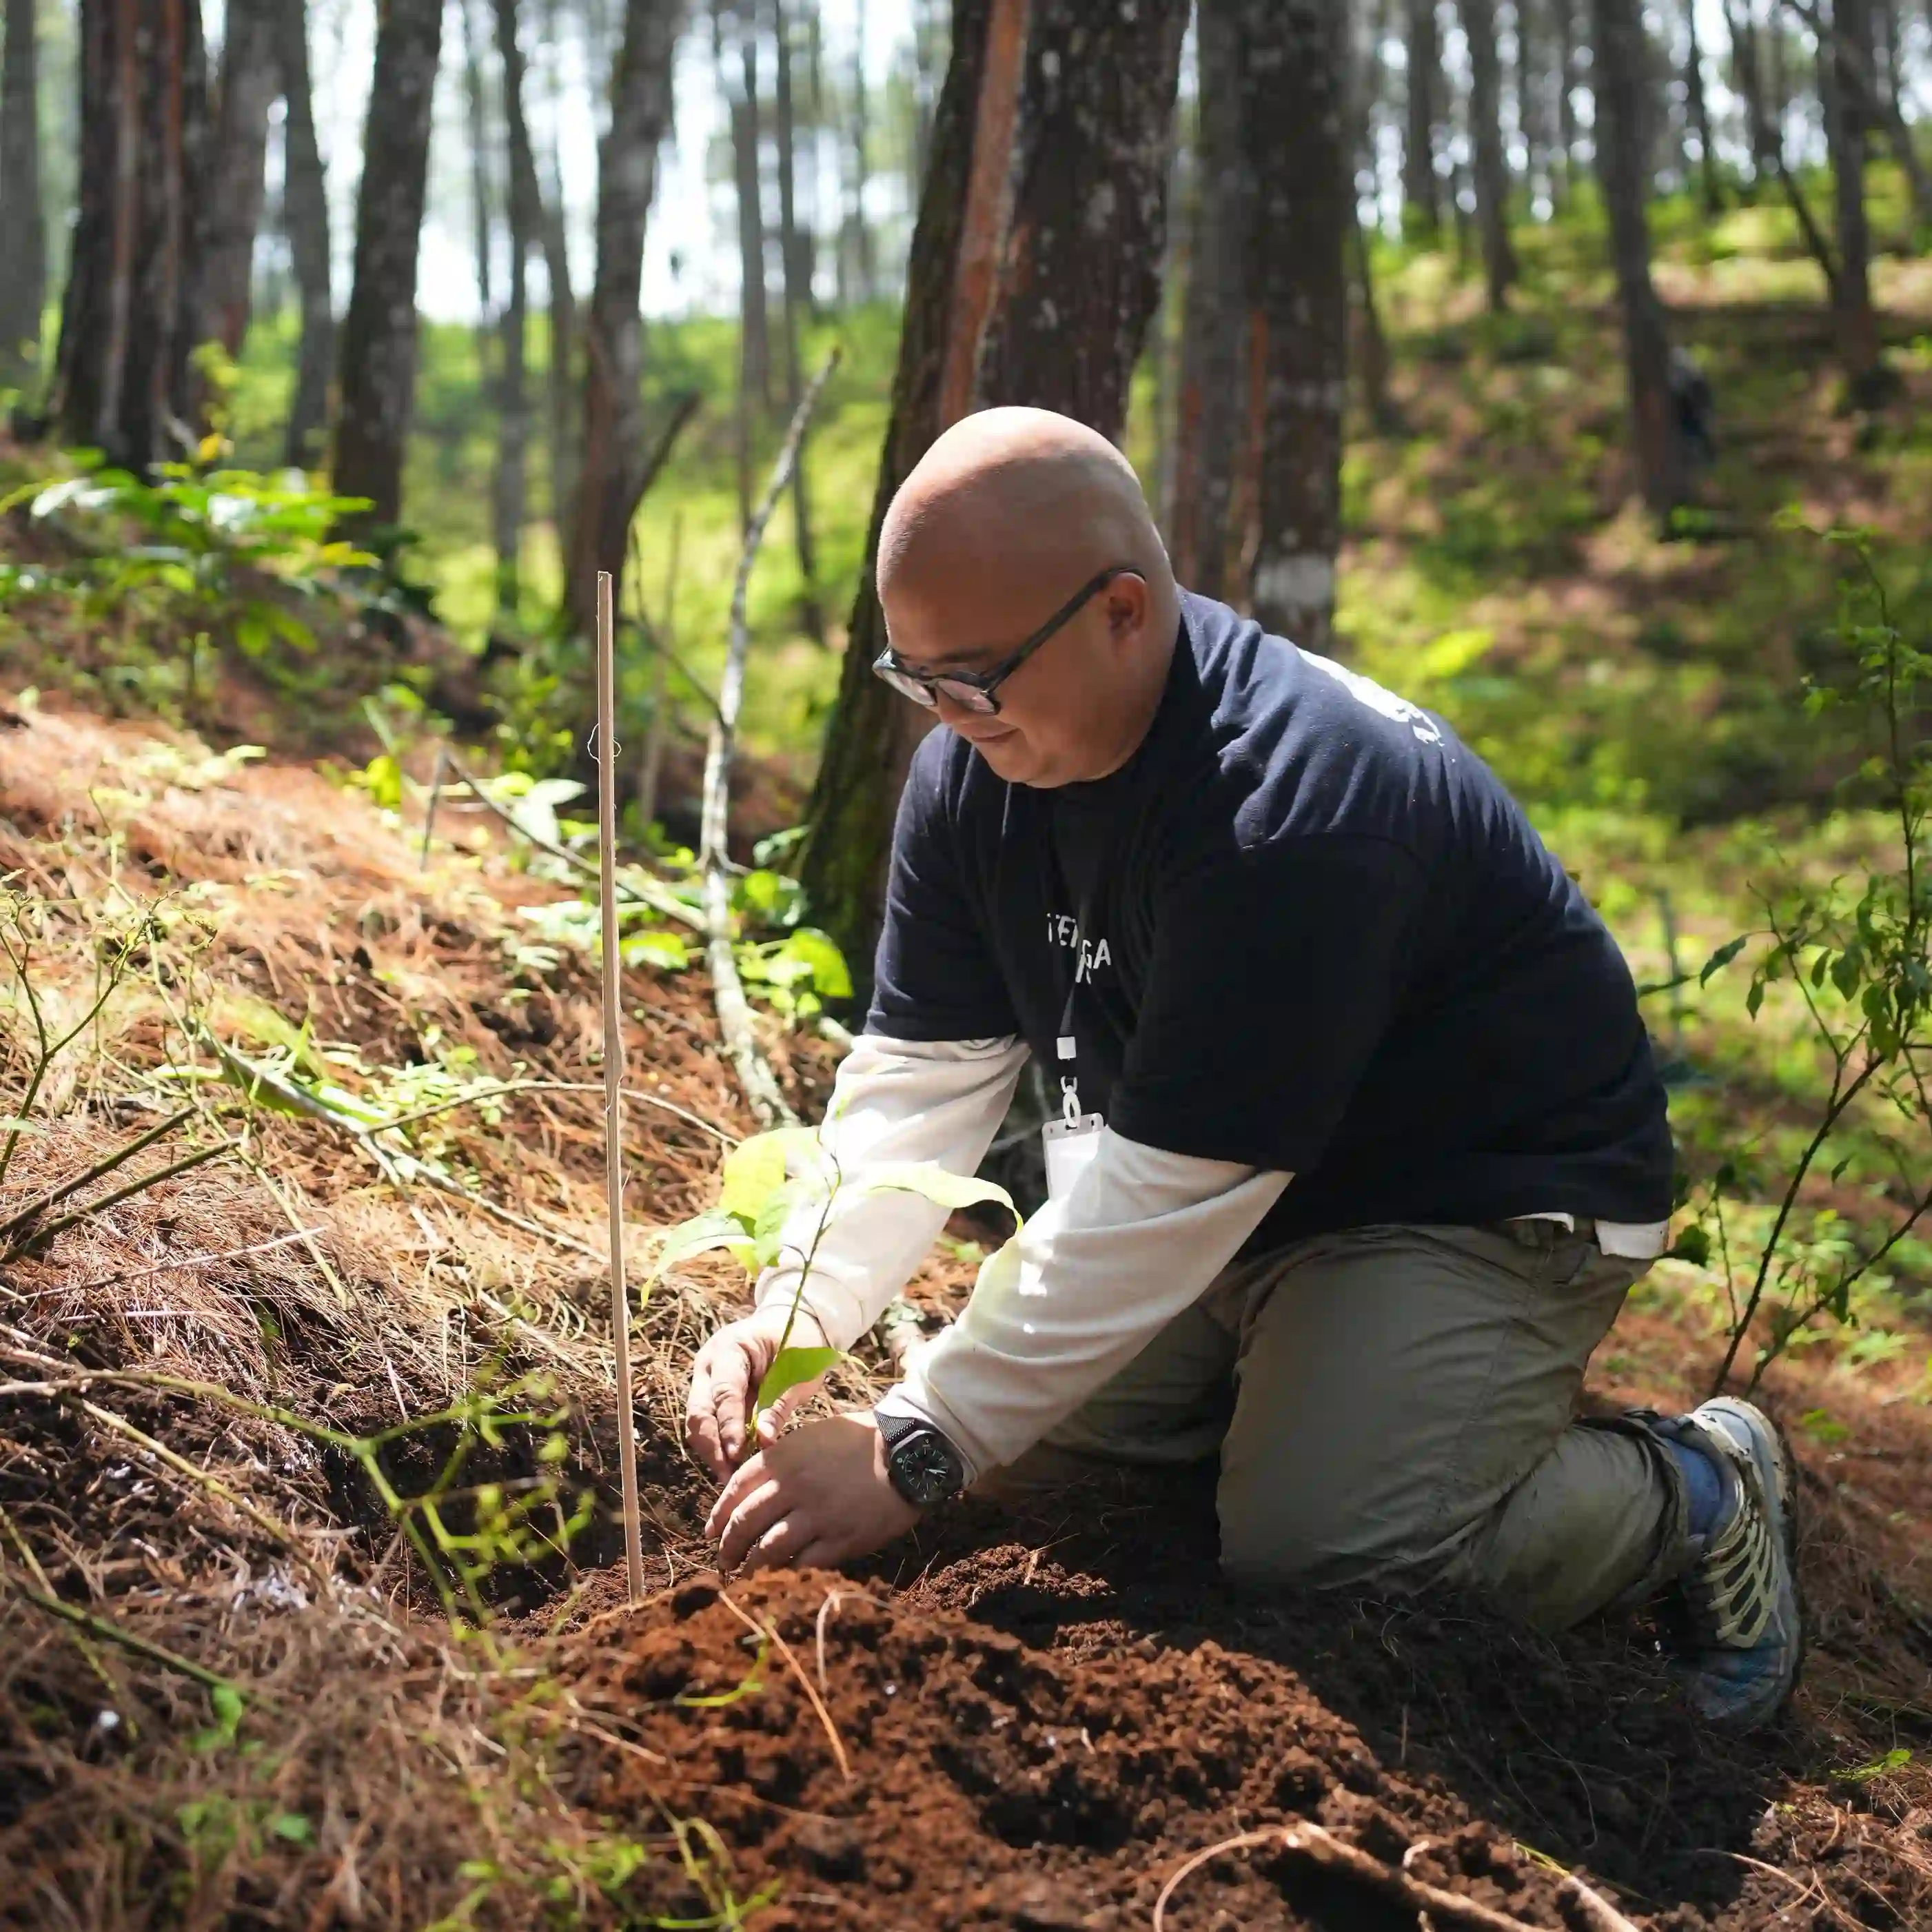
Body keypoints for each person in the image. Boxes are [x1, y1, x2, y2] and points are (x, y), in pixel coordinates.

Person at [684, 407, 1802, 1730]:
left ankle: (1694, 1488)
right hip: (1239, 1192)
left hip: (1476, 1200)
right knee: (1023, 1464)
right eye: (914, 677)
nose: (942, 717)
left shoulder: (1288, 807)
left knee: (1322, 1557)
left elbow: (1161, 1198)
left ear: (1120, 610)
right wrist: (795, 1314)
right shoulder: (974, 774)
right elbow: (919, 1088)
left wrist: (912, 1438)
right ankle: (1314, 1400)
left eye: (972, 678)